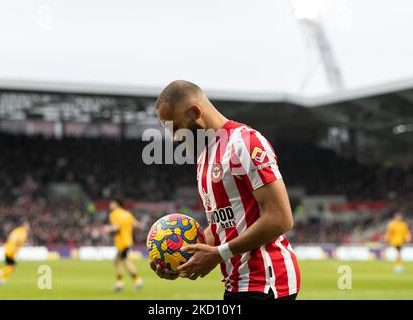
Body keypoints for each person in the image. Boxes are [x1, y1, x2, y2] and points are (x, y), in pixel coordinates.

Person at [152, 80, 300, 301]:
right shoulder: (204, 158)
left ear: (195, 112)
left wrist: (219, 254)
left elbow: (281, 218)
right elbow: (223, 226)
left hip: (266, 283)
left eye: (175, 127)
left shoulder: (246, 143)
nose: (174, 138)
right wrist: (182, 258)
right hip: (237, 284)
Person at [103, 198, 143, 291]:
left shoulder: (114, 214)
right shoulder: (127, 214)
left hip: (121, 242)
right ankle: (124, 282)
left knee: (123, 262)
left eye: (111, 203)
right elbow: (136, 224)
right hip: (128, 240)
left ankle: (133, 281)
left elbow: (116, 227)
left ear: (116, 204)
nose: (110, 205)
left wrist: (107, 228)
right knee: (119, 261)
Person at [0, 221, 30, 285]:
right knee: (11, 267)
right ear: (24, 226)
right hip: (11, 250)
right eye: (28, 226)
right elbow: (18, 240)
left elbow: (11, 238)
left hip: (8, 248)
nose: (28, 228)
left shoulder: (16, 230)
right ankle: (1, 273)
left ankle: (2, 278)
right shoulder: (23, 232)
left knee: (10, 266)